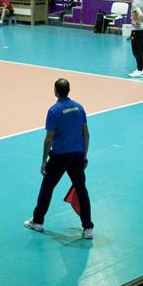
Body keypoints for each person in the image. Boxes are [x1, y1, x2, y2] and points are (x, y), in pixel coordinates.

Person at [23, 78, 94, 239]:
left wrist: (43, 161)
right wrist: (84, 155)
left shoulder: (54, 111)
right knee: (81, 190)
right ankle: (88, 228)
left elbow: (49, 138)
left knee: (47, 188)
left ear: (55, 91)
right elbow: (86, 134)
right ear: (68, 90)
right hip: (77, 155)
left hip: (59, 157)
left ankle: (38, 222)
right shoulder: (79, 108)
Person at [127, 0, 143, 78]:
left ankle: (139, 70)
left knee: (136, 51)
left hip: (137, 30)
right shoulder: (140, 2)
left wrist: (137, 22)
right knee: (141, 50)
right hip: (142, 29)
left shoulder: (135, 3)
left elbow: (140, 14)